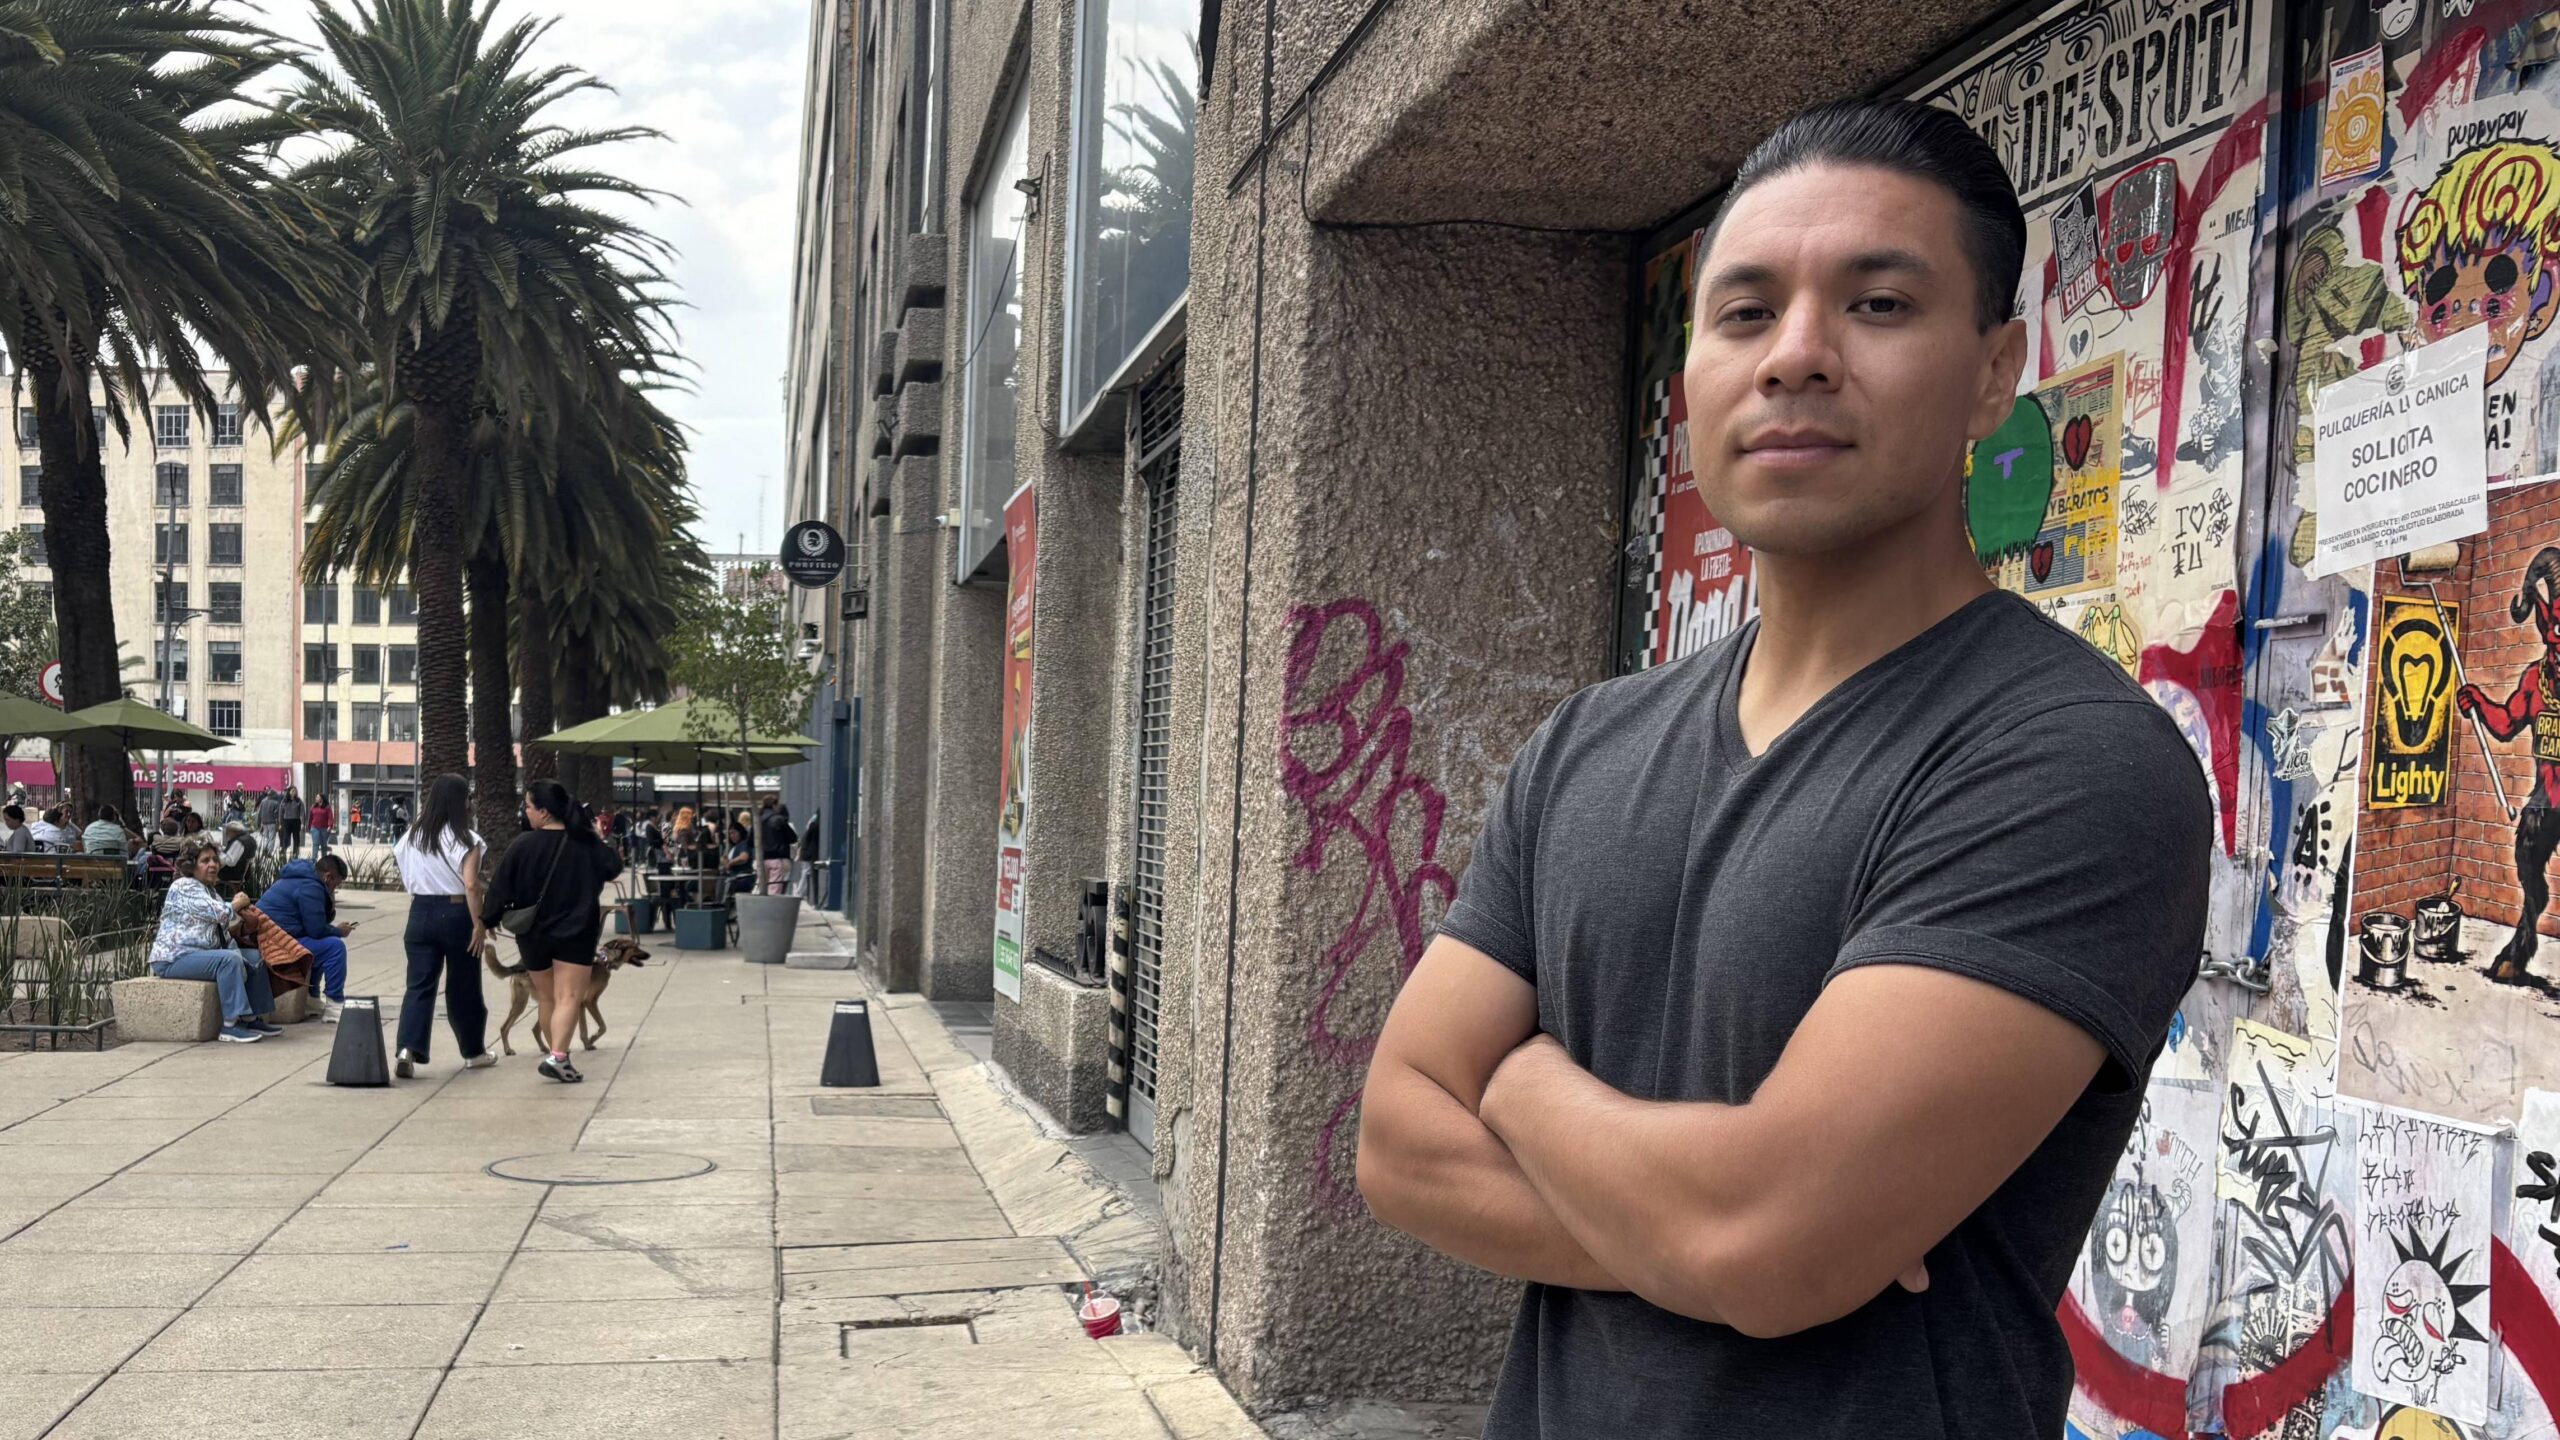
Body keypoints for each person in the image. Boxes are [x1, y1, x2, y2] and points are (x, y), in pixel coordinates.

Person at [1353, 101, 2212, 1440]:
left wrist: (1519, 1084)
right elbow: (1399, 1141)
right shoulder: (1584, 748)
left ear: (1996, 370)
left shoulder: (2067, 761)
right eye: (1745, 314)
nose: (1797, 356)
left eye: (1876, 305)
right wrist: (1713, 1248)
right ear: (1688, 374)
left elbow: (1768, 1233)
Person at [479, 780, 624, 1084]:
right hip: (577, 932)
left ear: (544, 812)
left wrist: (488, 919)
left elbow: (500, 886)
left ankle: (558, 1057)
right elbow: (612, 868)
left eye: (528, 806)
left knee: (547, 997)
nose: (526, 812)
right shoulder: (585, 844)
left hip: (534, 934)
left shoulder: (523, 844)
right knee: (570, 996)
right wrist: (597, 836)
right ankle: (558, 1056)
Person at [391, 773, 495, 1078]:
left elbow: (405, 871)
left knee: (419, 985)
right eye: (467, 797)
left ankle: (407, 1049)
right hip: (456, 912)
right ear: (461, 802)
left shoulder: (411, 836)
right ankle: (473, 1052)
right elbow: (472, 885)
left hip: (420, 912)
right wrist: (479, 924)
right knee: (464, 986)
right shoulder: (468, 840)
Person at [148, 835, 282, 1044]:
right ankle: (230, 1025)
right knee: (228, 960)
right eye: (205, 861)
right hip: (174, 958)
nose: (212, 865)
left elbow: (224, 931)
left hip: (199, 955)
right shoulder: (184, 886)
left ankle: (251, 1017)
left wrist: (244, 925)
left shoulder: (210, 891)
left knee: (254, 957)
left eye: (214, 860)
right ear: (191, 866)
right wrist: (238, 903)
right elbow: (219, 913)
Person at [259, 854, 353, 1022]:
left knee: (320, 945)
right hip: (275, 942)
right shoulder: (311, 887)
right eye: (336, 884)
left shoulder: (304, 879)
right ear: (328, 876)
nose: (335, 889)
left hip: (275, 936)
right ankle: (334, 1003)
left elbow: (315, 924)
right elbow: (316, 929)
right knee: (334, 948)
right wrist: (338, 931)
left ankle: (312, 997)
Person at [757, 798, 795, 895]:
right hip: (777, 857)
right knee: (774, 888)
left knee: (761, 887)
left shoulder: (757, 819)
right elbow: (792, 838)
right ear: (773, 805)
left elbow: (750, 840)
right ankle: (771, 908)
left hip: (761, 858)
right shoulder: (779, 820)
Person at [215, 820, 260, 896]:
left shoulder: (239, 842)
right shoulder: (249, 838)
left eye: (227, 833)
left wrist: (218, 853)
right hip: (242, 872)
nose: (227, 835)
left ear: (232, 832)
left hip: (233, 873)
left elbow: (231, 862)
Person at [797, 811, 823, 900]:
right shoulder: (816, 825)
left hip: (807, 852)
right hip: (810, 853)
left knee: (805, 873)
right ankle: (800, 893)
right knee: (806, 873)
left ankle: (801, 893)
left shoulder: (812, 824)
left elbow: (806, 838)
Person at [279, 788, 305, 858]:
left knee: (296, 837)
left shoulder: (299, 801)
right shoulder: (284, 801)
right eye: (292, 791)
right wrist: (280, 823)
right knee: (286, 837)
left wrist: (302, 823)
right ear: (289, 792)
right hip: (286, 821)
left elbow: (302, 812)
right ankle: (284, 851)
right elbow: (281, 813)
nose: (294, 792)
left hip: (296, 821)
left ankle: (295, 853)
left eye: (295, 791)